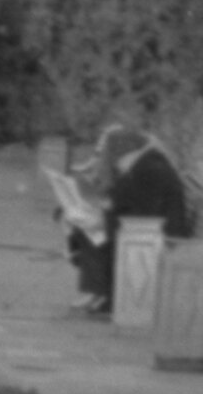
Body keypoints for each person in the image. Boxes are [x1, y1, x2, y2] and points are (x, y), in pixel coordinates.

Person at [65, 124, 194, 315]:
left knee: (95, 234)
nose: (116, 164)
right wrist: (103, 215)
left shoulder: (148, 169)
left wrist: (103, 220)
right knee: (90, 230)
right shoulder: (146, 163)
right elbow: (125, 202)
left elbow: (136, 210)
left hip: (161, 236)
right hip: (152, 228)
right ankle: (100, 293)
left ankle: (106, 295)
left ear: (123, 153)